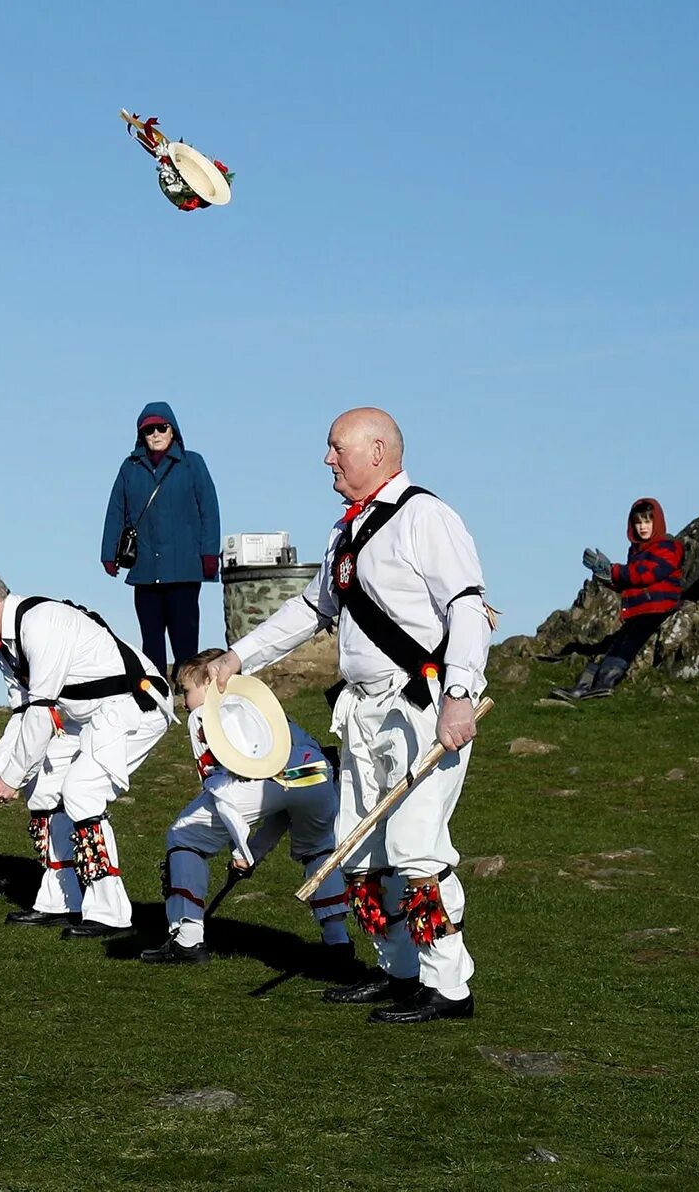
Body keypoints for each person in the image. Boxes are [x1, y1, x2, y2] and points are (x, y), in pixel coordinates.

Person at [185, 408, 490, 1024]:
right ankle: (398, 970)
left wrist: (460, 692)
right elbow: (308, 609)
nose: (328, 459)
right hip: (362, 714)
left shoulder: (426, 517)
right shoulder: (343, 532)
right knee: (361, 846)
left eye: (336, 447)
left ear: (377, 450)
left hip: (421, 707)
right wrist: (238, 655)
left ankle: (448, 986)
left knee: (416, 847)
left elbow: (466, 605)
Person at [0, 566, 174, 939]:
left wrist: (10, 779)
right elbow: (22, 715)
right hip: (82, 716)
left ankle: (111, 915)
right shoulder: (3, 648)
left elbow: (41, 712)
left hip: (134, 705)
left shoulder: (43, 622)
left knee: (83, 791)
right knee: (43, 791)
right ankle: (60, 901)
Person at [140, 650, 349, 965]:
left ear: (210, 681)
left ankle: (187, 939)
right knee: (318, 850)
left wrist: (243, 852)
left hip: (257, 780)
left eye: (186, 691)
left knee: (184, 836)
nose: (184, 703)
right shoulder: (265, 713)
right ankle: (338, 945)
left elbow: (223, 790)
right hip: (317, 772)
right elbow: (282, 801)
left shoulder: (204, 717)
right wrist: (252, 853)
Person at [101, 403, 224, 679]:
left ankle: (189, 691)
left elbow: (209, 510)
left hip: (184, 570)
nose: (155, 434)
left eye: (161, 427)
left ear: (173, 430)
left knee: (185, 640)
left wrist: (209, 554)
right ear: (140, 434)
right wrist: (109, 553)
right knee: (151, 640)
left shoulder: (193, 463)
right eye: (148, 429)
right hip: (145, 571)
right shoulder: (129, 468)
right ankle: (156, 693)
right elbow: (115, 511)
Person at [555, 499, 684, 701]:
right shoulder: (636, 551)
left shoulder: (668, 547)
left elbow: (644, 575)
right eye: (638, 522)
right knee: (615, 644)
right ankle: (582, 686)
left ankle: (605, 683)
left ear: (657, 522)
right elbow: (630, 582)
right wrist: (606, 577)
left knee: (627, 644)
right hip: (641, 610)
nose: (642, 527)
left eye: (647, 521)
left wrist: (613, 570)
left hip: (657, 609)